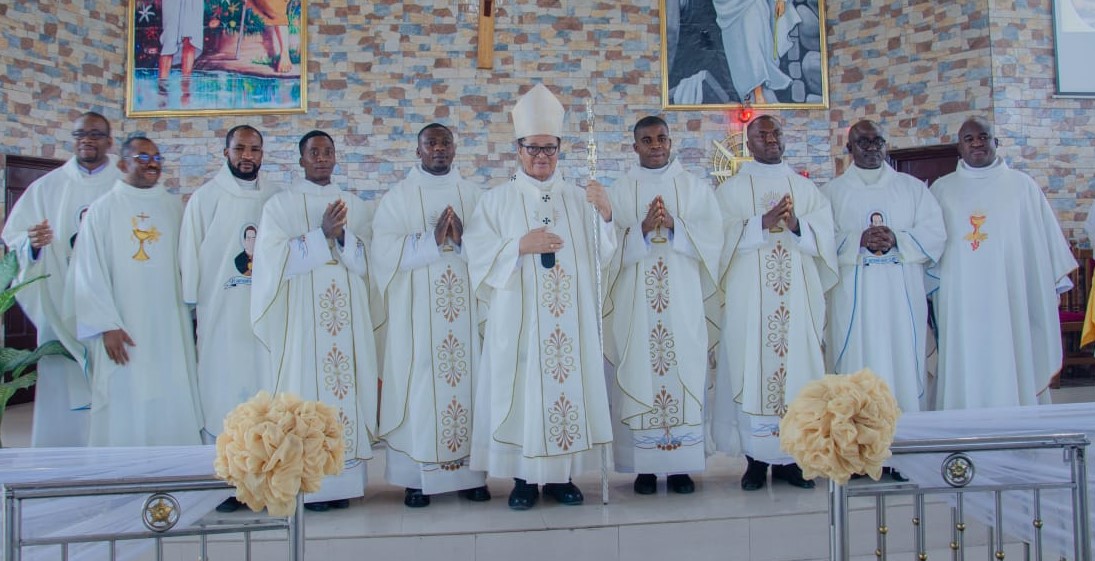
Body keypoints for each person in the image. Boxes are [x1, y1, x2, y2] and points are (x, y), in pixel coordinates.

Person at [464, 84, 616, 510]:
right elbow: (475, 254)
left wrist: (605, 216)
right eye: (533, 148)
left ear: (560, 147)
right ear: (518, 149)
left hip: (571, 323)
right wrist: (518, 246)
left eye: (549, 148)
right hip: (520, 323)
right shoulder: (497, 201)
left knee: (564, 392)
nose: (542, 156)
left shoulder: (579, 198)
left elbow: (604, 256)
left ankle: (562, 479)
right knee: (524, 394)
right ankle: (523, 481)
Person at [251, 130, 379, 512]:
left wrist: (342, 241)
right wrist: (321, 234)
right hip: (304, 320)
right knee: (306, 391)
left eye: (328, 152)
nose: (322, 158)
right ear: (301, 159)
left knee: (346, 391)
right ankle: (311, 484)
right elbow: (271, 263)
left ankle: (345, 481)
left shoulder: (356, 205)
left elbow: (370, 261)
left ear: (336, 157)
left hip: (347, 316)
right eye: (314, 153)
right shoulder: (280, 206)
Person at [712, 115, 837, 491]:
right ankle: (754, 461)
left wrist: (798, 225)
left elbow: (827, 241)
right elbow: (716, 243)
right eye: (761, 134)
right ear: (747, 144)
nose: (770, 139)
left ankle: (792, 461)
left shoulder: (807, 190)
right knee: (751, 371)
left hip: (795, 303)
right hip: (750, 302)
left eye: (776, 133)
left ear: (785, 139)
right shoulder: (731, 191)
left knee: (797, 373)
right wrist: (759, 224)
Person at [371, 123, 489, 508]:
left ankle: (472, 475)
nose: (439, 149)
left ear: (455, 150)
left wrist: (464, 241)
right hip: (418, 316)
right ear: (417, 151)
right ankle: (415, 478)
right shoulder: (398, 198)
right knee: (419, 387)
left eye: (445, 143)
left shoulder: (474, 196)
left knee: (468, 384)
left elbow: (493, 250)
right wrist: (431, 241)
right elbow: (382, 253)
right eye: (431, 143)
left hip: (466, 316)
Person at [604, 116, 723, 495]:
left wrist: (675, 226)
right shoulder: (620, 191)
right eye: (647, 140)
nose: (656, 145)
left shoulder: (695, 188)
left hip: (682, 301)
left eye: (662, 139)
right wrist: (639, 230)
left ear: (671, 143)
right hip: (636, 305)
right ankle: (644, 465)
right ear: (635, 146)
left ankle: (681, 466)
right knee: (641, 368)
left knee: (684, 368)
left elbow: (714, 241)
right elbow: (605, 251)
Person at [929, 117, 1076, 409]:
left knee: (1014, 353)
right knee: (964, 357)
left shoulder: (1023, 187)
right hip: (960, 303)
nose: (977, 143)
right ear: (959, 147)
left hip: (1012, 299)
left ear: (996, 142)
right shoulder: (942, 190)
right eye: (969, 139)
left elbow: (1043, 245)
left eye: (984, 137)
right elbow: (930, 247)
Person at [70, 135, 203, 446]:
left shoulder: (173, 207)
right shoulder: (102, 210)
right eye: (142, 157)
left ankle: (174, 478)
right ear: (122, 164)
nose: (152, 163)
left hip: (170, 326)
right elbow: (88, 271)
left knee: (170, 393)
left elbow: (189, 264)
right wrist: (105, 325)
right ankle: (123, 479)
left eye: (156, 157)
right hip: (122, 328)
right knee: (125, 398)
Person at [0, 112, 120, 447]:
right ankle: (60, 461)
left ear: (110, 142)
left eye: (96, 134)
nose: (87, 140)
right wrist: (32, 245)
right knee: (63, 382)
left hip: (115, 305)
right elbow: (15, 239)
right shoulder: (47, 187)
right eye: (81, 133)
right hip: (62, 302)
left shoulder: (125, 183)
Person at [179, 125, 280, 512]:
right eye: (240, 148)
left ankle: (267, 480)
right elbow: (190, 256)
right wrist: (193, 304)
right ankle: (227, 482)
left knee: (265, 397)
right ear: (225, 152)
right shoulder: (205, 199)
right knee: (223, 396)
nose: (248, 156)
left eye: (255, 148)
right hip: (221, 317)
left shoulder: (275, 197)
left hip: (265, 318)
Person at [820, 119, 946, 416]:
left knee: (901, 360)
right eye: (863, 142)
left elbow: (935, 234)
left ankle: (905, 440)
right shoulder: (830, 193)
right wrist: (857, 240)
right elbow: (820, 241)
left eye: (878, 141)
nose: (872, 148)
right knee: (854, 362)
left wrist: (898, 240)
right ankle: (855, 444)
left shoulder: (912, 189)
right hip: (854, 298)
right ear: (849, 148)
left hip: (899, 298)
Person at [712, 0, 800, 103]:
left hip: (752, 5)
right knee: (738, 56)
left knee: (753, 47)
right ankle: (750, 98)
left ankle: (759, 94)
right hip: (726, 8)